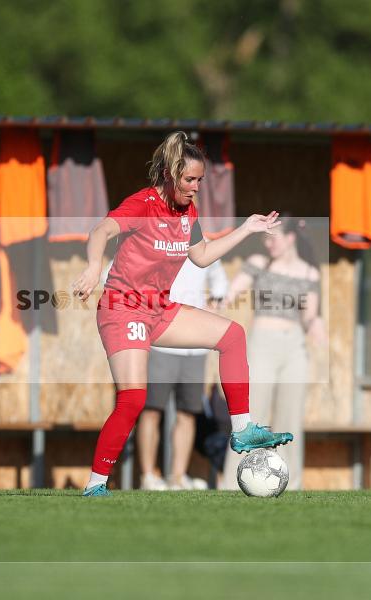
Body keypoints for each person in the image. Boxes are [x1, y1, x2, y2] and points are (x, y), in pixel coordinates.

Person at [72, 131, 293, 497]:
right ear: (169, 173)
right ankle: (96, 484)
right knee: (134, 399)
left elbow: (202, 255)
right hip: (123, 309)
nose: (195, 188)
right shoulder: (142, 204)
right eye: (189, 179)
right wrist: (95, 266)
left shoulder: (188, 211)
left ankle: (242, 430)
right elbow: (102, 229)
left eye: (199, 181)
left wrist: (246, 229)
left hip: (158, 310)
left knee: (232, 335)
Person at [221, 215, 320, 491]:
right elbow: (235, 288)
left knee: (290, 418)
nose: (268, 243)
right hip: (261, 344)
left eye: (272, 238)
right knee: (251, 417)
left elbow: (310, 313)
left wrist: (316, 326)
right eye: (265, 238)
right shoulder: (258, 263)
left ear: (290, 239)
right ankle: (232, 483)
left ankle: (291, 483)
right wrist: (225, 297)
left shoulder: (310, 273)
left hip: (294, 348)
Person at [138, 255, 228, 491]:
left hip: (195, 346)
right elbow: (113, 274)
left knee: (188, 412)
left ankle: (177, 477)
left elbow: (220, 282)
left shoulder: (204, 245)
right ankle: (148, 476)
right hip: (160, 342)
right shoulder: (152, 239)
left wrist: (214, 304)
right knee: (151, 410)